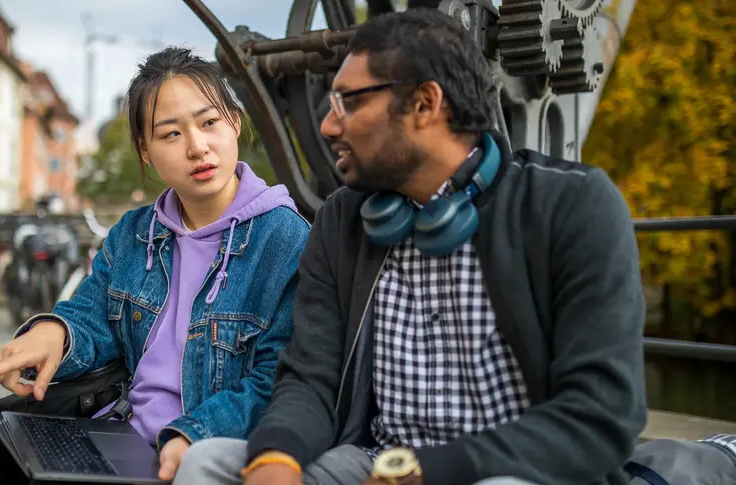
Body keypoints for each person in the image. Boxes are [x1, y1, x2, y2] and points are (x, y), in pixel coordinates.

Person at [175, 8, 646, 485]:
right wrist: (276, 458)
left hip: (513, 470)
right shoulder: (342, 221)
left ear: (425, 104)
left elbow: (600, 412)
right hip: (374, 463)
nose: (328, 127)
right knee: (209, 463)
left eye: (348, 103)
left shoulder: (572, 204)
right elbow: (310, 380)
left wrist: (429, 472)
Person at [0, 46, 310, 485]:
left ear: (235, 122)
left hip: (197, 451)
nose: (197, 146)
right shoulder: (135, 232)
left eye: (209, 122)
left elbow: (279, 379)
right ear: (145, 150)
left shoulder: (285, 240)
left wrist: (193, 435)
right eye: (170, 134)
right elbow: (96, 314)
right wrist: (55, 333)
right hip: (117, 432)